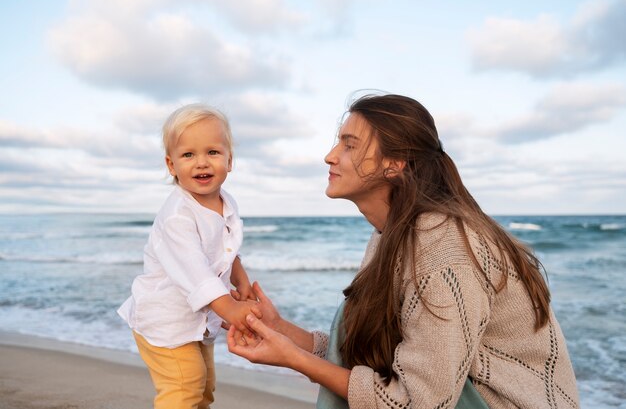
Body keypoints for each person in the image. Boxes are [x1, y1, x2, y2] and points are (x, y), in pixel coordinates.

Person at [227, 93, 580, 408]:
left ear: (394, 164)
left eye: (349, 145)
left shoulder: (443, 245)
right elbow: (380, 361)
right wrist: (281, 331)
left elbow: (418, 402)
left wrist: (295, 360)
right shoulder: (392, 235)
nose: (329, 156)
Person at [118, 103, 260, 409]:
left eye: (212, 152)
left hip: (196, 321)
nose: (201, 163)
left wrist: (241, 279)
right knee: (185, 386)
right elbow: (197, 274)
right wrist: (232, 312)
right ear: (171, 165)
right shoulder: (177, 216)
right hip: (166, 320)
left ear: (229, 160)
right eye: (188, 155)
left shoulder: (226, 202)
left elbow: (227, 247)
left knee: (204, 387)